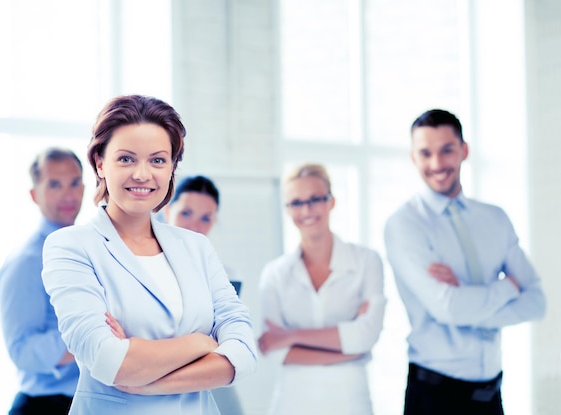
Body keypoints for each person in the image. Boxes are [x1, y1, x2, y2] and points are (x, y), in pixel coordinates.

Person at [41, 94, 257, 415]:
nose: (143, 174)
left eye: (157, 160)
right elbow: (107, 360)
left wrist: (149, 377)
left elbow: (244, 352)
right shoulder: (71, 246)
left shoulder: (195, 247)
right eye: (127, 159)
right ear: (100, 162)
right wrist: (201, 343)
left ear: (171, 167)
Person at [383, 108, 546, 415]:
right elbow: (449, 307)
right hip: (435, 395)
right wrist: (506, 289)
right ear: (413, 158)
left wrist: (467, 306)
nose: (437, 164)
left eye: (447, 150)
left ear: (464, 150)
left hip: (491, 393)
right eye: (425, 153)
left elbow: (537, 302)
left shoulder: (495, 219)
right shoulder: (405, 224)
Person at [258, 163, 386, 415]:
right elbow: (273, 350)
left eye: (315, 199)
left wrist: (292, 335)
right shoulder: (274, 274)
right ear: (287, 209)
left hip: (350, 401)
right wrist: (350, 349)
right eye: (296, 202)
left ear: (331, 202)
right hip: (292, 402)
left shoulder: (366, 262)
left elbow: (366, 336)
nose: (306, 210)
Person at [0, 147, 85, 415]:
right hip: (43, 406)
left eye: (75, 182)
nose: (68, 195)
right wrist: (91, 337)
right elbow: (22, 350)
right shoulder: (28, 261)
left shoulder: (87, 250)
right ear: (35, 194)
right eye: (55, 184)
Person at [161, 175, 245, 415]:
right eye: (186, 213)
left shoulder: (225, 276)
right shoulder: (140, 268)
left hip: (211, 383)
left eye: (205, 218)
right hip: (155, 387)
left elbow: (227, 344)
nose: (194, 226)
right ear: (167, 210)